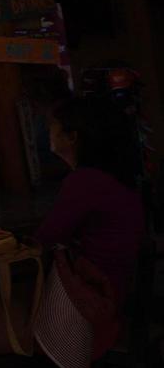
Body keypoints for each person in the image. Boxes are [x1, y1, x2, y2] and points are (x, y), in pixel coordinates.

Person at [36, 96, 144, 300]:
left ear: (72, 137)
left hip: (93, 297)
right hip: (113, 289)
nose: (48, 131)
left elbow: (46, 237)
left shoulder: (85, 181)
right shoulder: (110, 177)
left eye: (53, 125)